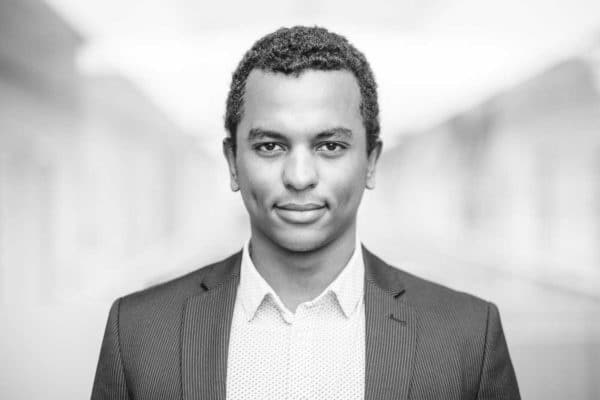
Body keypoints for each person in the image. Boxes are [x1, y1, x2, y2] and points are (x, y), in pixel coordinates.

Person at [91, 26, 520, 400]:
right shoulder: (138, 333)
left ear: (371, 162)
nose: (299, 177)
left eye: (330, 146)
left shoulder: (468, 337)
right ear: (232, 163)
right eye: (270, 146)